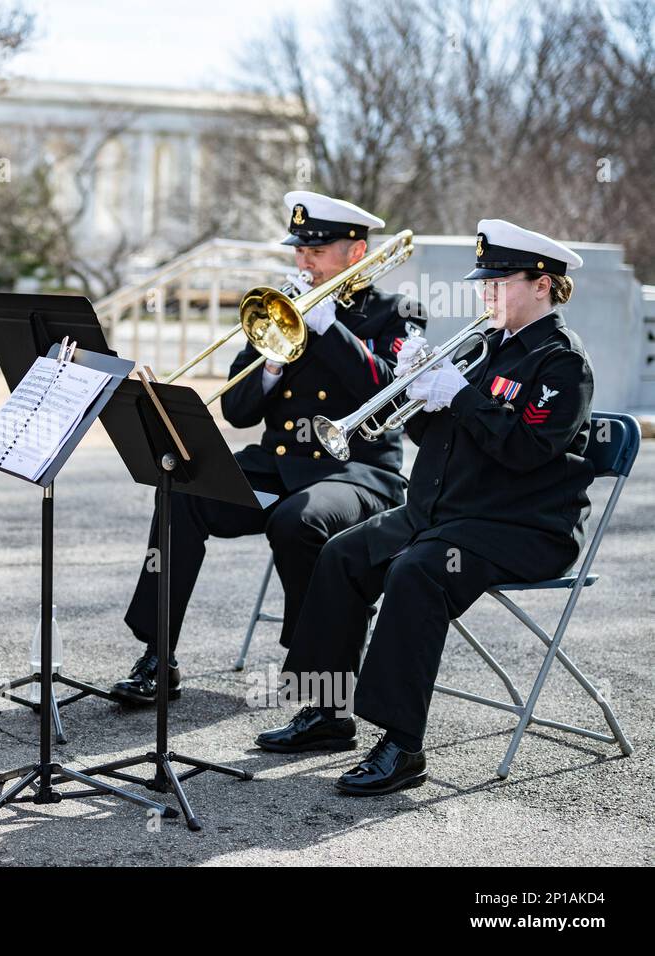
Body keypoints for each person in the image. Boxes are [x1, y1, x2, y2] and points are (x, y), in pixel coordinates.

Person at [257, 220, 592, 795]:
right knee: (341, 555)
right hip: (447, 512)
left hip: (519, 527)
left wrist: (457, 394)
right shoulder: (489, 346)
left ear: (543, 285)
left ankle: (401, 743)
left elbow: (524, 449)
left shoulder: (560, 363)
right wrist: (418, 393)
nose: (486, 294)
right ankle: (326, 713)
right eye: (483, 283)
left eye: (499, 281)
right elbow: (442, 441)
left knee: (417, 573)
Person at [110, 191, 423, 705]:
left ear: (356, 251)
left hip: (359, 472)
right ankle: (157, 654)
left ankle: (314, 677)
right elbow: (237, 412)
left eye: (316, 252)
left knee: (297, 522)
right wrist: (273, 361)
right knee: (181, 490)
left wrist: (329, 330)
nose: (303, 262)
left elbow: (391, 397)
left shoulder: (397, 311)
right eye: (299, 251)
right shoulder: (281, 310)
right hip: (280, 466)